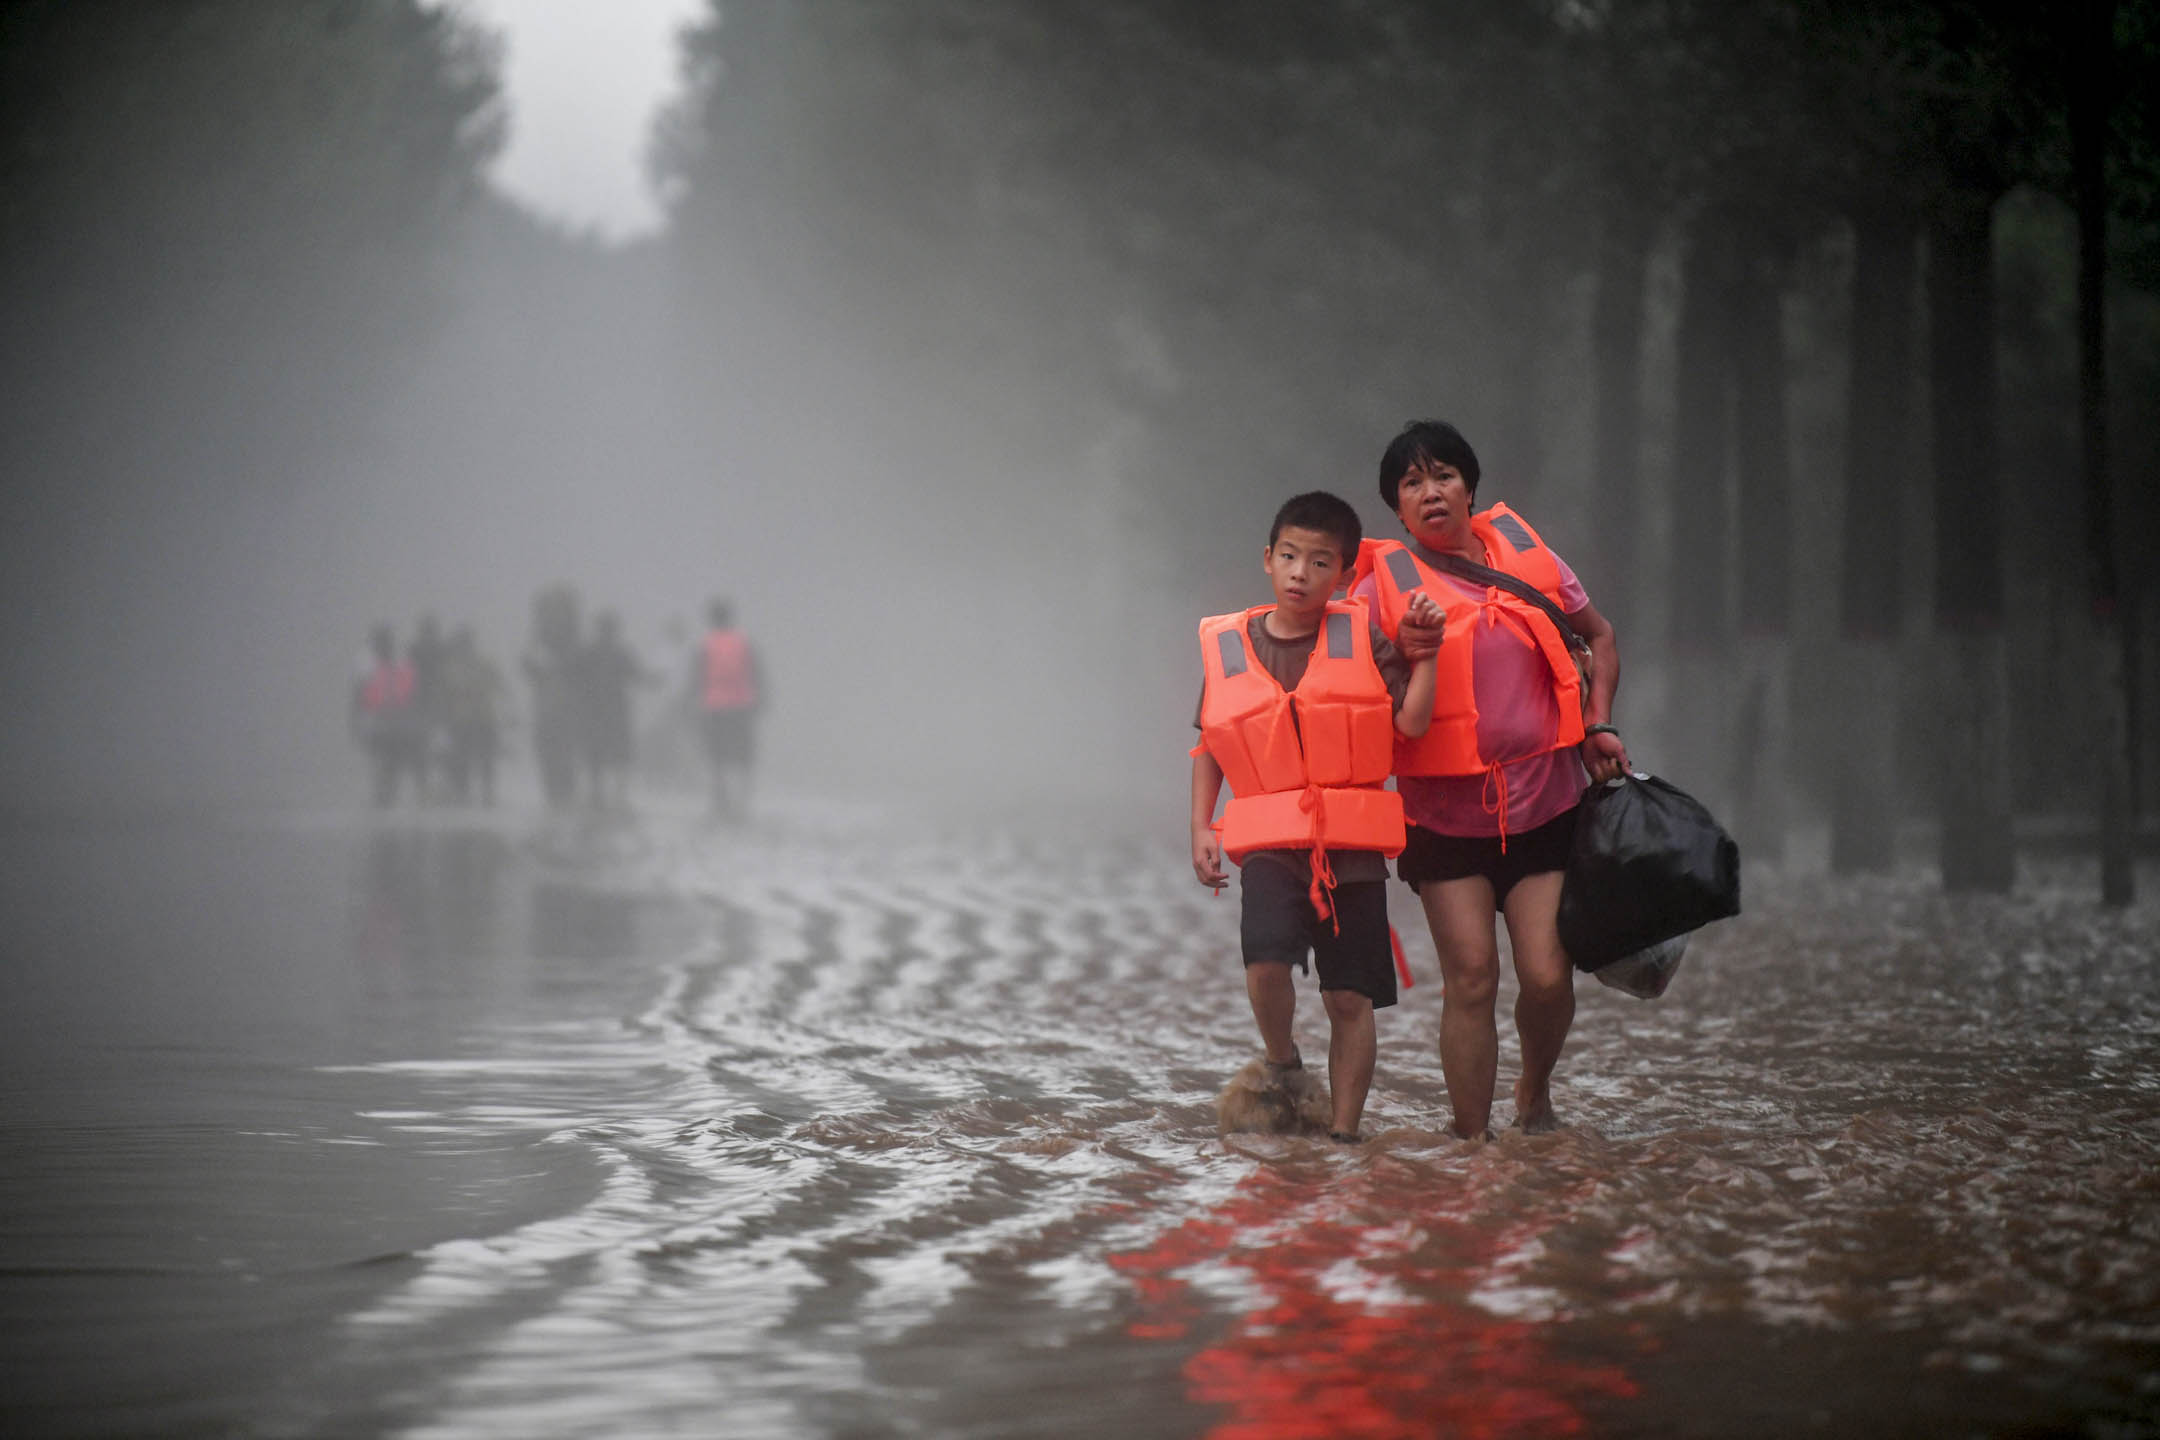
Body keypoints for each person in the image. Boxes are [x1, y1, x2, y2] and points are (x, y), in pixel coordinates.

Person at [1347, 420, 1629, 1139]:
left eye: (1442, 475)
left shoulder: (1530, 562)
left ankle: (1533, 1098)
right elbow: (1358, 699)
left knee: (1545, 976)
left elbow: (1598, 635)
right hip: (1444, 818)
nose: (1430, 492)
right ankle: (1470, 1144)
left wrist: (1599, 722)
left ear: (1470, 488)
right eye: (1411, 484)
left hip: (1545, 804)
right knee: (1471, 977)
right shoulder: (1380, 596)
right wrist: (1406, 657)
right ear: (1398, 512)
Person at [1190, 491, 1441, 1143]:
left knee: (1348, 999)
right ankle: (1282, 1059)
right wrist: (1200, 827)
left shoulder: (1366, 641)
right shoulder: (1228, 647)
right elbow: (1212, 745)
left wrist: (1429, 659)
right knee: (1265, 963)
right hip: (1272, 843)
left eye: (1320, 561)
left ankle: (1343, 1138)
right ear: (1268, 560)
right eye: (1291, 557)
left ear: (1343, 574)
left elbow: (1410, 724)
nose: (1302, 572)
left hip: (1352, 850)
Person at [691, 598, 762, 821]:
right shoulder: (743, 641)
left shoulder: (706, 643)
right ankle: (743, 799)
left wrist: (695, 699)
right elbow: (756, 670)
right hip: (742, 703)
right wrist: (759, 698)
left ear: (712, 618)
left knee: (717, 754)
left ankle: (720, 798)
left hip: (715, 704)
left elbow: (698, 675)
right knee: (743, 753)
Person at [574, 610, 653, 810]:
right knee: (618, 754)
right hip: (616, 710)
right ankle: (618, 796)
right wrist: (654, 680)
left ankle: (598, 795)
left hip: (595, 710)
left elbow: (575, 679)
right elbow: (638, 675)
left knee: (597, 752)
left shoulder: (589, 652)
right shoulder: (620, 653)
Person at [351, 623, 422, 807]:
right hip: (378, 721)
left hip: (398, 721)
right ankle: (382, 794)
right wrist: (356, 721)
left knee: (393, 760)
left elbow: (413, 694)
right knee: (381, 758)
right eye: (379, 643)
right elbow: (359, 697)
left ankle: (387, 794)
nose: (382, 647)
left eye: (384, 643)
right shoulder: (368, 668)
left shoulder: (403, 666)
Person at [439, 626, 505, 807]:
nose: (464, 648)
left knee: (485, 759)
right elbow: (445, 696)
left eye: (465, 644)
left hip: (480, 719)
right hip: (463, 720)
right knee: (464, 760)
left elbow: (501, 686)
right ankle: (466, 795)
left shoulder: (483, 664)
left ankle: (486, 795)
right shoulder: (451, 668)